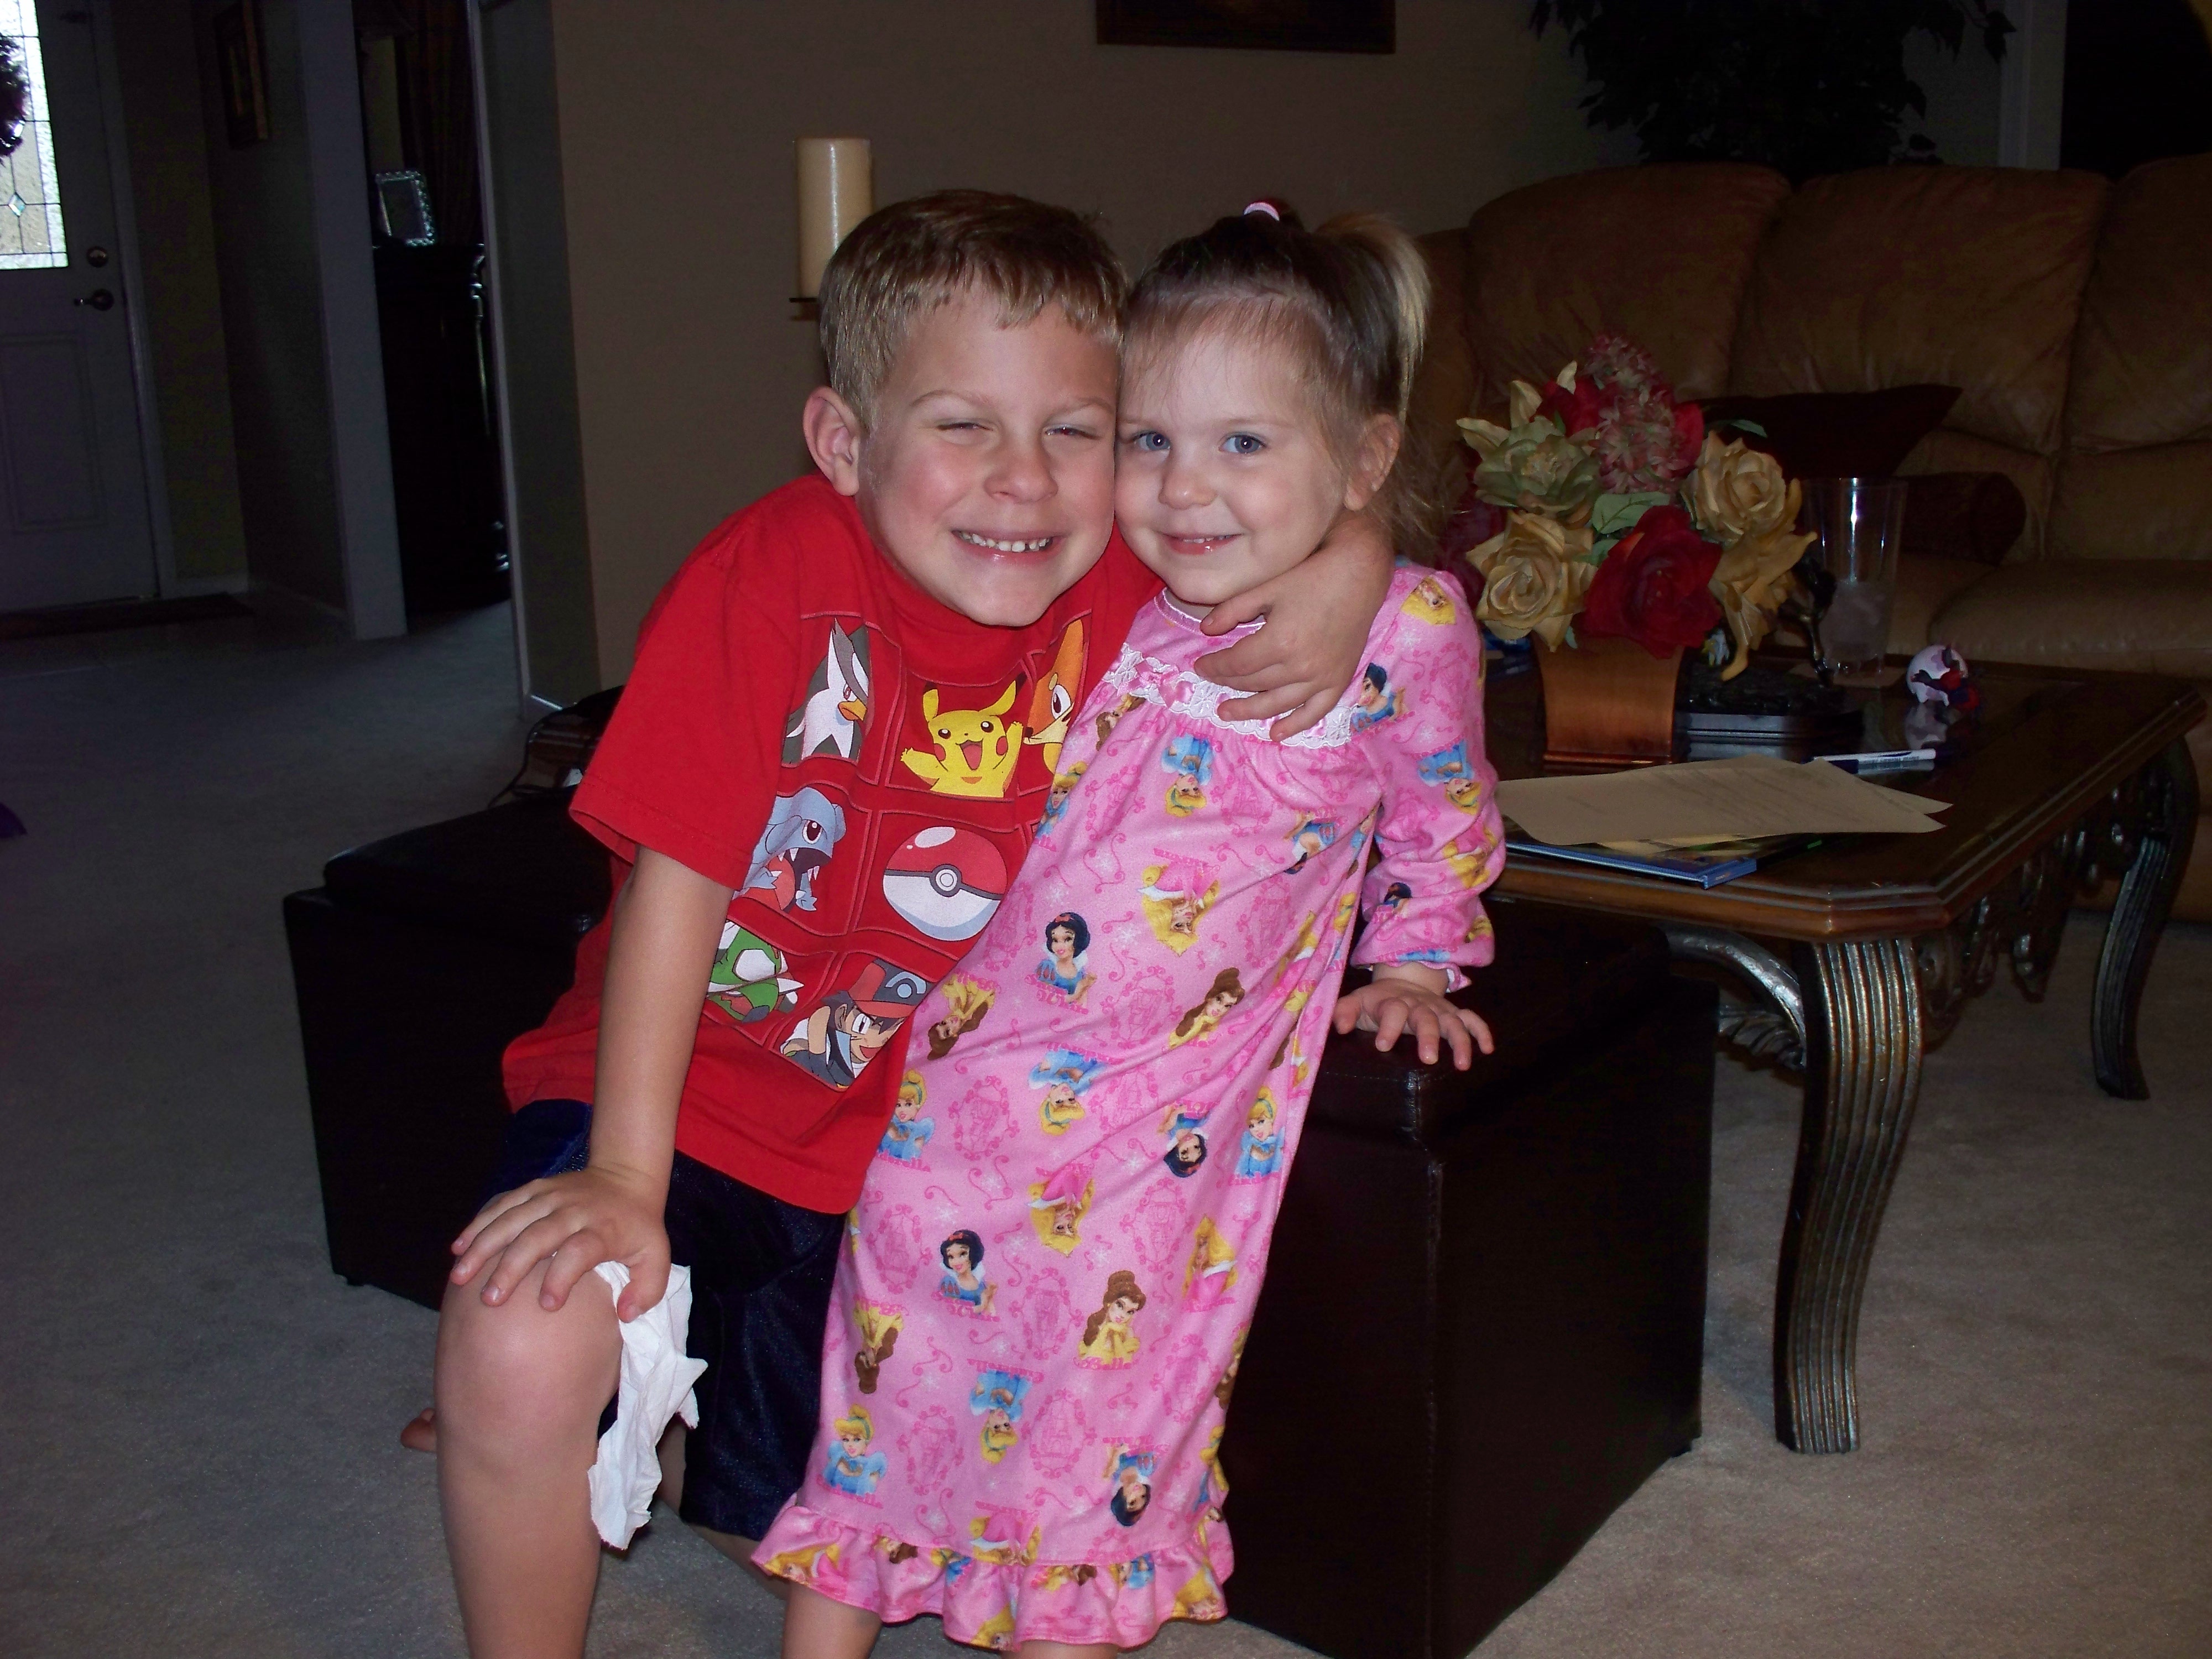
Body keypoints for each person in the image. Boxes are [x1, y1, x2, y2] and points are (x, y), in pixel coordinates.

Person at [424, 190, 1398, 1658]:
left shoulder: (1125, 577)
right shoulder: (766, 577)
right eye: (962, 426)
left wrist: (1354, 564)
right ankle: (534, 1436)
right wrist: (625, 1174)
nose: (1025, 481)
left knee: (810, 1528)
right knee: (523, 1333)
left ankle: (652, 1431)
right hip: (675, 1091)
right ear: (842, 442)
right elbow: (675, 885)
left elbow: (1303, 479)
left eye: (1076, 431)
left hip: (910, 1173)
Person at [760, 200, 1504, 1656]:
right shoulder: (1115, 589)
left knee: (1100, 1419)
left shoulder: (1400, 631)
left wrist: (1420, 957)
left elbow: (1446, 807)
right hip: (965, 1078)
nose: (1184, 489)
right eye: (1150, 439)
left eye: (1243, 443)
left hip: (1164, 1125)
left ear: (1362, 462)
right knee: (885, 1386)